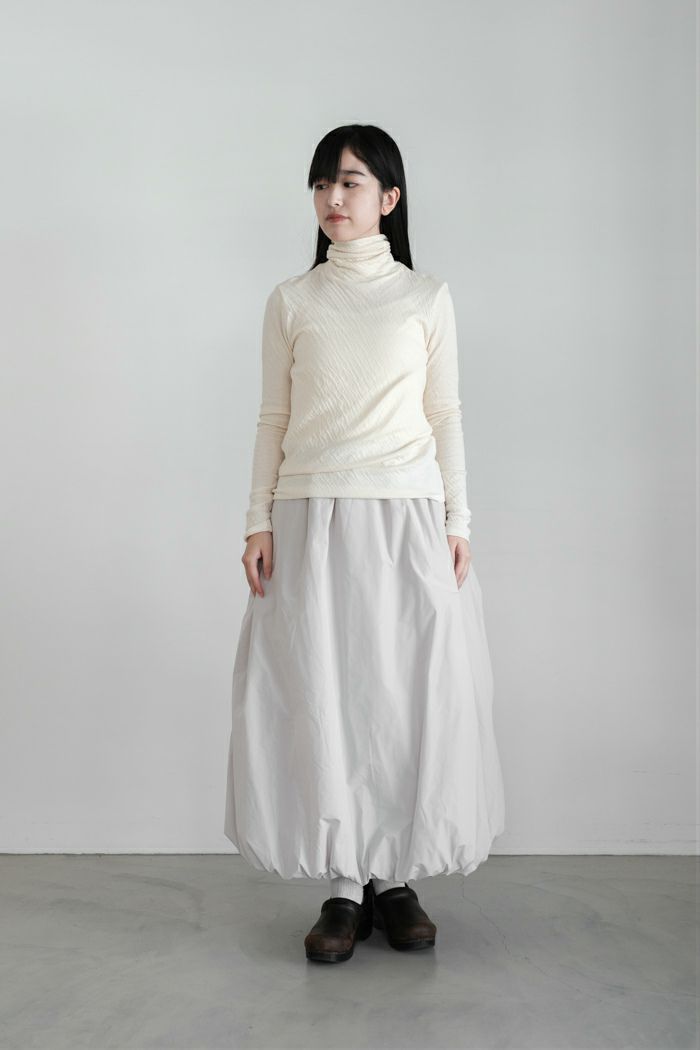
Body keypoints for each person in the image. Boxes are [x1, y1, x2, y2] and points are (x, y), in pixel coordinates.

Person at [224, 124, 505, 964]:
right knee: (325, 690)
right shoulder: (292, 300)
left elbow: (444, 413)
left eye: (349, 183)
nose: (332, 198)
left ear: (389, 196)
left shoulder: (426, 298)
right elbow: (272, 417)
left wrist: (458, 521)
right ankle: (345, 886)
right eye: (321, 184)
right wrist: (257, 519)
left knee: (400, 692)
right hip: (311, 515)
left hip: (407, 514)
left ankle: (394, 879)